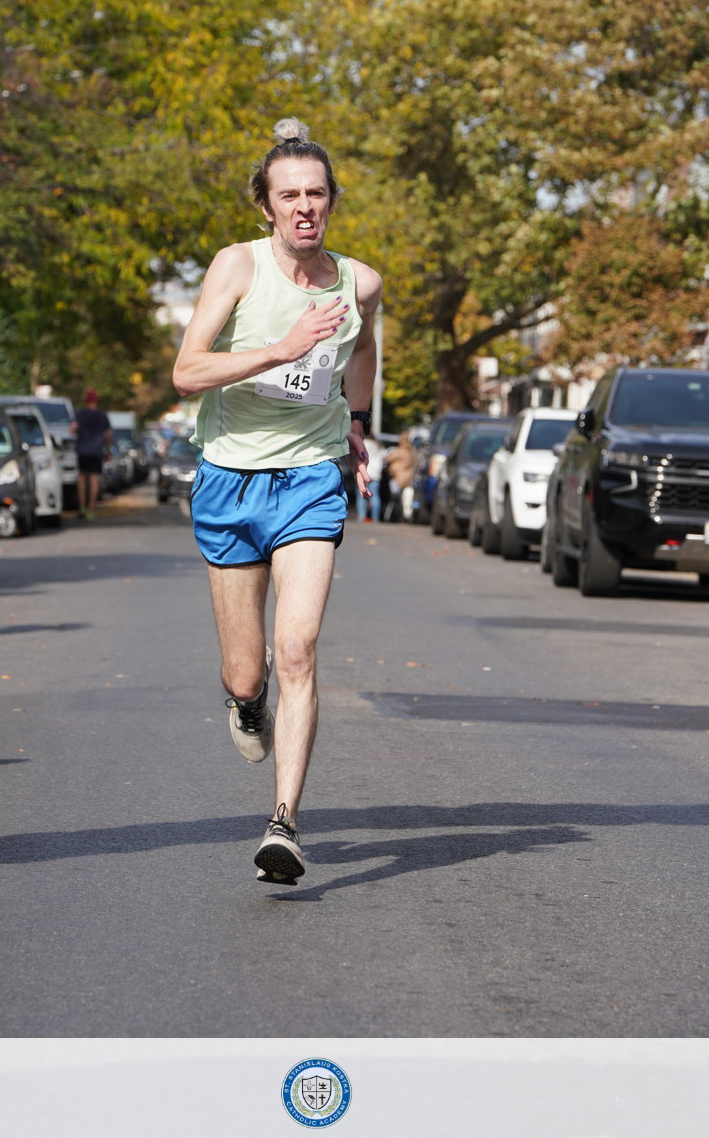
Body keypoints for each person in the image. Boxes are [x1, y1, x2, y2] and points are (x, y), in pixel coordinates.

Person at [173, 117, 382, 885]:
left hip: (310, 477)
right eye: (288, 195)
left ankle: (284, 823)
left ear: (332, 201)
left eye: (316, 194)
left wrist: (357, 421)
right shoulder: (238, 267)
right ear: (265, 206)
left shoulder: (360, 283)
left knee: (297, 648)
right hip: (230, 477)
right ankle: (245, 697)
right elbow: (187, 373)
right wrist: (279, 349)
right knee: (246, 672)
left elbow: (362, 346)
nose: (304, 207)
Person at [71, 390, 112, 520]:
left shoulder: (80, 413)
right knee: (94, 478)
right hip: (96, 450)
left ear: (86, 400)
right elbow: (108, 434)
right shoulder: (101, 415)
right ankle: (91, 509)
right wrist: (108, 450)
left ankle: (82, 507)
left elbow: (73, 429)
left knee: (81, 477)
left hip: (82, 450)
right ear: (97, 400)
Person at [385, 429, 418, 523]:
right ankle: (405, 517)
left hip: (398, 479)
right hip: (408, 479)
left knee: (397, 500)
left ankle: (397, 518)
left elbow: (388, 459)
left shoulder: (400, 451)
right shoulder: (412, 451)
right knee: (405, 501)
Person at [357, 434, 383, 523]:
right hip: (376, 473)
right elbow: (384, 456)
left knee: (361, 495)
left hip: (364, 471)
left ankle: (361, 517)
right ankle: (375, 518)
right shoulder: (378, 445)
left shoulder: (362, 443)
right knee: (375, 496)